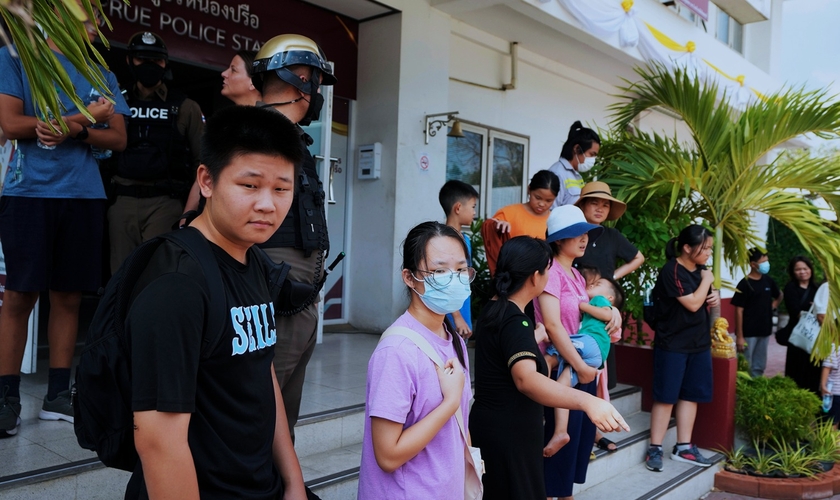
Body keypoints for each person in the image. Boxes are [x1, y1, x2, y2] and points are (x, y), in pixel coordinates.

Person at [124, 105, 307, 499]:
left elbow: (262, 371)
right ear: (206, 181)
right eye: (249, 185)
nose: (268, 204)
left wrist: (293, 482)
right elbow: (158, 441)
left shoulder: (253, 260)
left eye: (281, 188)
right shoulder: (177, 283)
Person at [0, 6, 129, 437]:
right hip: (27, 193)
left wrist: (76, 130)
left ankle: (58, 396)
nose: (96, 26)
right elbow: (11, 122)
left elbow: (119, 137)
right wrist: (85, 116)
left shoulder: (100, 72)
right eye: (88, 17)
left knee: (69, 297)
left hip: (84, 195)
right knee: (19, 296)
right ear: (60, 17)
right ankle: (6, 398)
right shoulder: (18, 59)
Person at [470, 236, 629, 500]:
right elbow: (526, 380)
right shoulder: (514, 321)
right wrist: (588, 401)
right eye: (547, 270)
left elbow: (507, 358)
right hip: (510, 436)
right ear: (535, 277)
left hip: (494, 428)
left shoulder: (495, 310)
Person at [250, 34, 336, 440]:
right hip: (278, 284)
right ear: (302, 80)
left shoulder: (289, 136)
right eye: (315, 81)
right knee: (264, 401)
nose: (316, 92)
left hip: (299, 287)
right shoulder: (259, 134)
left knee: (286, 400)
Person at [358, 222, 473, 499]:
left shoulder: (453, 339)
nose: (453, 278)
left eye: (460, 270)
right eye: (439, 271)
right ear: (409, 278)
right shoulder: (397, 351)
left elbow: (460, 430)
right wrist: (449, 403)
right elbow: (387, 455)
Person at [532, 205, 622, 497]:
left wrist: (613, 314)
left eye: (585, 233)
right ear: (558, 239)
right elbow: (554, 326)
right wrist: (580, 367)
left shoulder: (578, 276)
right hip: (562, 366)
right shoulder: (550, 272)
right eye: (575, 234)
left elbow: (588, 315)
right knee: (556, 459)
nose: (584, 238)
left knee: (573, 454)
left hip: (580, 364)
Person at [107, 31, 204, 273]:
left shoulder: (185, 107)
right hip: (123, 200)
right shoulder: (115, 102)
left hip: (165, 201)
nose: (150, 66)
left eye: (156, 60)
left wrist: (190, 211)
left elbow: (202, 162)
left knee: (157, 274)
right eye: (142, 59)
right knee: (121, 276)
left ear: (165, 63)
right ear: (130, 61)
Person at [573, 180, 645, 452]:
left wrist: (611, 279)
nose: (600, 208)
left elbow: (638, 257)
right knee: (571, 367)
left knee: (598, 372)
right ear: (582, 205)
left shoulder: (612, 237)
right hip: (571, 307)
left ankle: (594, 430)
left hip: (601, 310)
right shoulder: (572, 234)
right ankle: (571, 429)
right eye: (595, 202)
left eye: (605, 204)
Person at [645, 225, 719, 473]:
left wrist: (715, 295)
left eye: (710, 247)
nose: (708, 252)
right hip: (673, 343)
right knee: (666, 396)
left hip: (698, 343)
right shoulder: (672, 270)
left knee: (691, 394)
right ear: (687, 248)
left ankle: (683, 447)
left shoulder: (700, 270)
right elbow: (693, 303)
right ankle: (655, 448)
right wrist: (707, 281)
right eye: (705, 248)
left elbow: (705, 300)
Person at [544, 277, 625, 456]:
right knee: (562, 386)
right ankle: (561, 432)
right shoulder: (602, 302)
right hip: (595, 355)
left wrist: (583, 306)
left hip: (589, 343)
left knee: (553, 350)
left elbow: (606, 314)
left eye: (598, 285)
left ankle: (537, 402)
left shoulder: (599, 301)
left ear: (610, 299)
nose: (592, 285)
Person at [482, 169, 559, 275]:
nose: (542, 204)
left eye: (548, 200)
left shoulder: (555, 221)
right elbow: (492, 234)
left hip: (543, 279)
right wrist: (497, 227)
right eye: (538, 197)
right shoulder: (508, 213)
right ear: (529, 190)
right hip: (513, 278)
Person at [732, 248, 782, 378]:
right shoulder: (744, 284)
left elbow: (779, 295)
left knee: (759, 365)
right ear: (753, 264)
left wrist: (773, 306)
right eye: (763, 261)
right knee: (745, 365)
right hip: (749, 332)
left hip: (764, 330)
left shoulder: (768, 281)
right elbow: (739, 310)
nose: (766, 264)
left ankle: (756, 387)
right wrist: (740, 337)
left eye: (767, 260)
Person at [439, 180, 479, 339]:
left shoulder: (466, 239)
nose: (475, 212)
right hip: (450, 313)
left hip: (463, 307)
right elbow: (444, 280)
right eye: (473, 207)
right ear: (458, 208)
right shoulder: (443, 240)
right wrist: (456, 317)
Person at [780, 256, 821, 395]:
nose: (802, 272)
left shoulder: (817, 288)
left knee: (814, 372)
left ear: (810, 269)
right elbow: (795, 311)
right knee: (795, 371)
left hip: (814, 337)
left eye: (805, 268)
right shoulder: (790, 288)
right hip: (798, 336)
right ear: (793, 271)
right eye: (798, 269)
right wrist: (815, 310)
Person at [548, 121, 601, 208]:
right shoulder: (557, 174)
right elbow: (550, 211)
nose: (593, 160)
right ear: (577, 149)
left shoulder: (576, 175)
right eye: (592, 154)